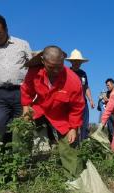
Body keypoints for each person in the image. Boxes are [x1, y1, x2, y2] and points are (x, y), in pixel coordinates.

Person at [21, 46, 84, 177]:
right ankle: (22, 168)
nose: (56, 71)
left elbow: (77, 107)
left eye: (59, 67)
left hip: (62, 117)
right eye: (51, 67)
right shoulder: (34, 72)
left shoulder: (73, 80)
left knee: (70, 144)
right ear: (43, 61)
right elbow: (26, 91)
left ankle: (74, 180)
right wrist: (26, 111)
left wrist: (73, 128)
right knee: (19, 130)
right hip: (40, 110)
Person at [0, 14, 32, 145]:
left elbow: (32, 66)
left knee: (22, 124)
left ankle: (21, 159)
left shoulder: (22, 44)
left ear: (6, 29)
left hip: (21, 91)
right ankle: (2, 155)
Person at [66, 49, 94, 142]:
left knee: (84, 125)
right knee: (72, 126)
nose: (77, 63)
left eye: (79, 61)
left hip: (83, 103)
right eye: (75, 61)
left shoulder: (83, 74)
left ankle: (83, 146)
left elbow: (86, 87)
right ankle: (72, 145)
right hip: (71, 104)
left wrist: (90, 100)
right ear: (71, 62)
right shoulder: (66, 73)